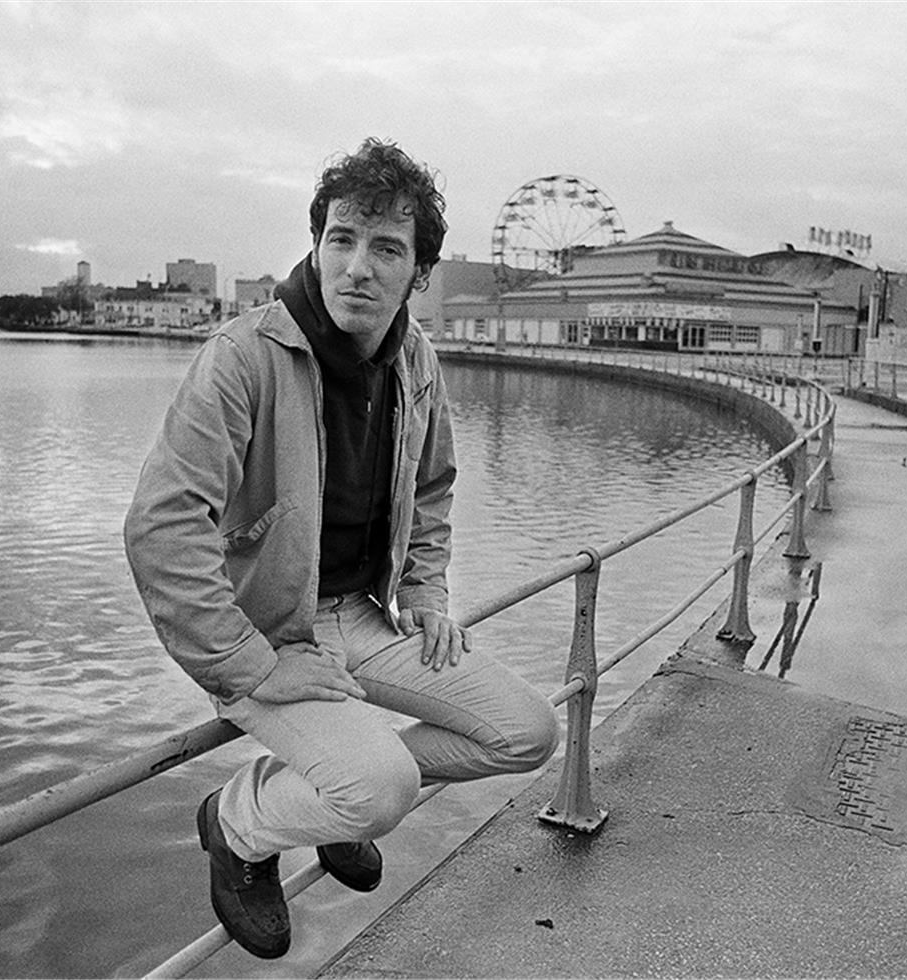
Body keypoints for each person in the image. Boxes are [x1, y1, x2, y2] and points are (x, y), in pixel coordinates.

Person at [124, 138, 559, 959]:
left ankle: (334, 792)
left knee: (528, 733)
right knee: (382, 786)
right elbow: (161, 528)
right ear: (318, 241)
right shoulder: (242, 358)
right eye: (342, 239)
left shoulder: (416, 362)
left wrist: (426, 592)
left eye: (387, 248)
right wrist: (253, 667)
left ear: (418, 273)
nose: (358, 267)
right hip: (265, 638)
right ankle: (238, 825)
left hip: (365, 616)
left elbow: (433, 488)